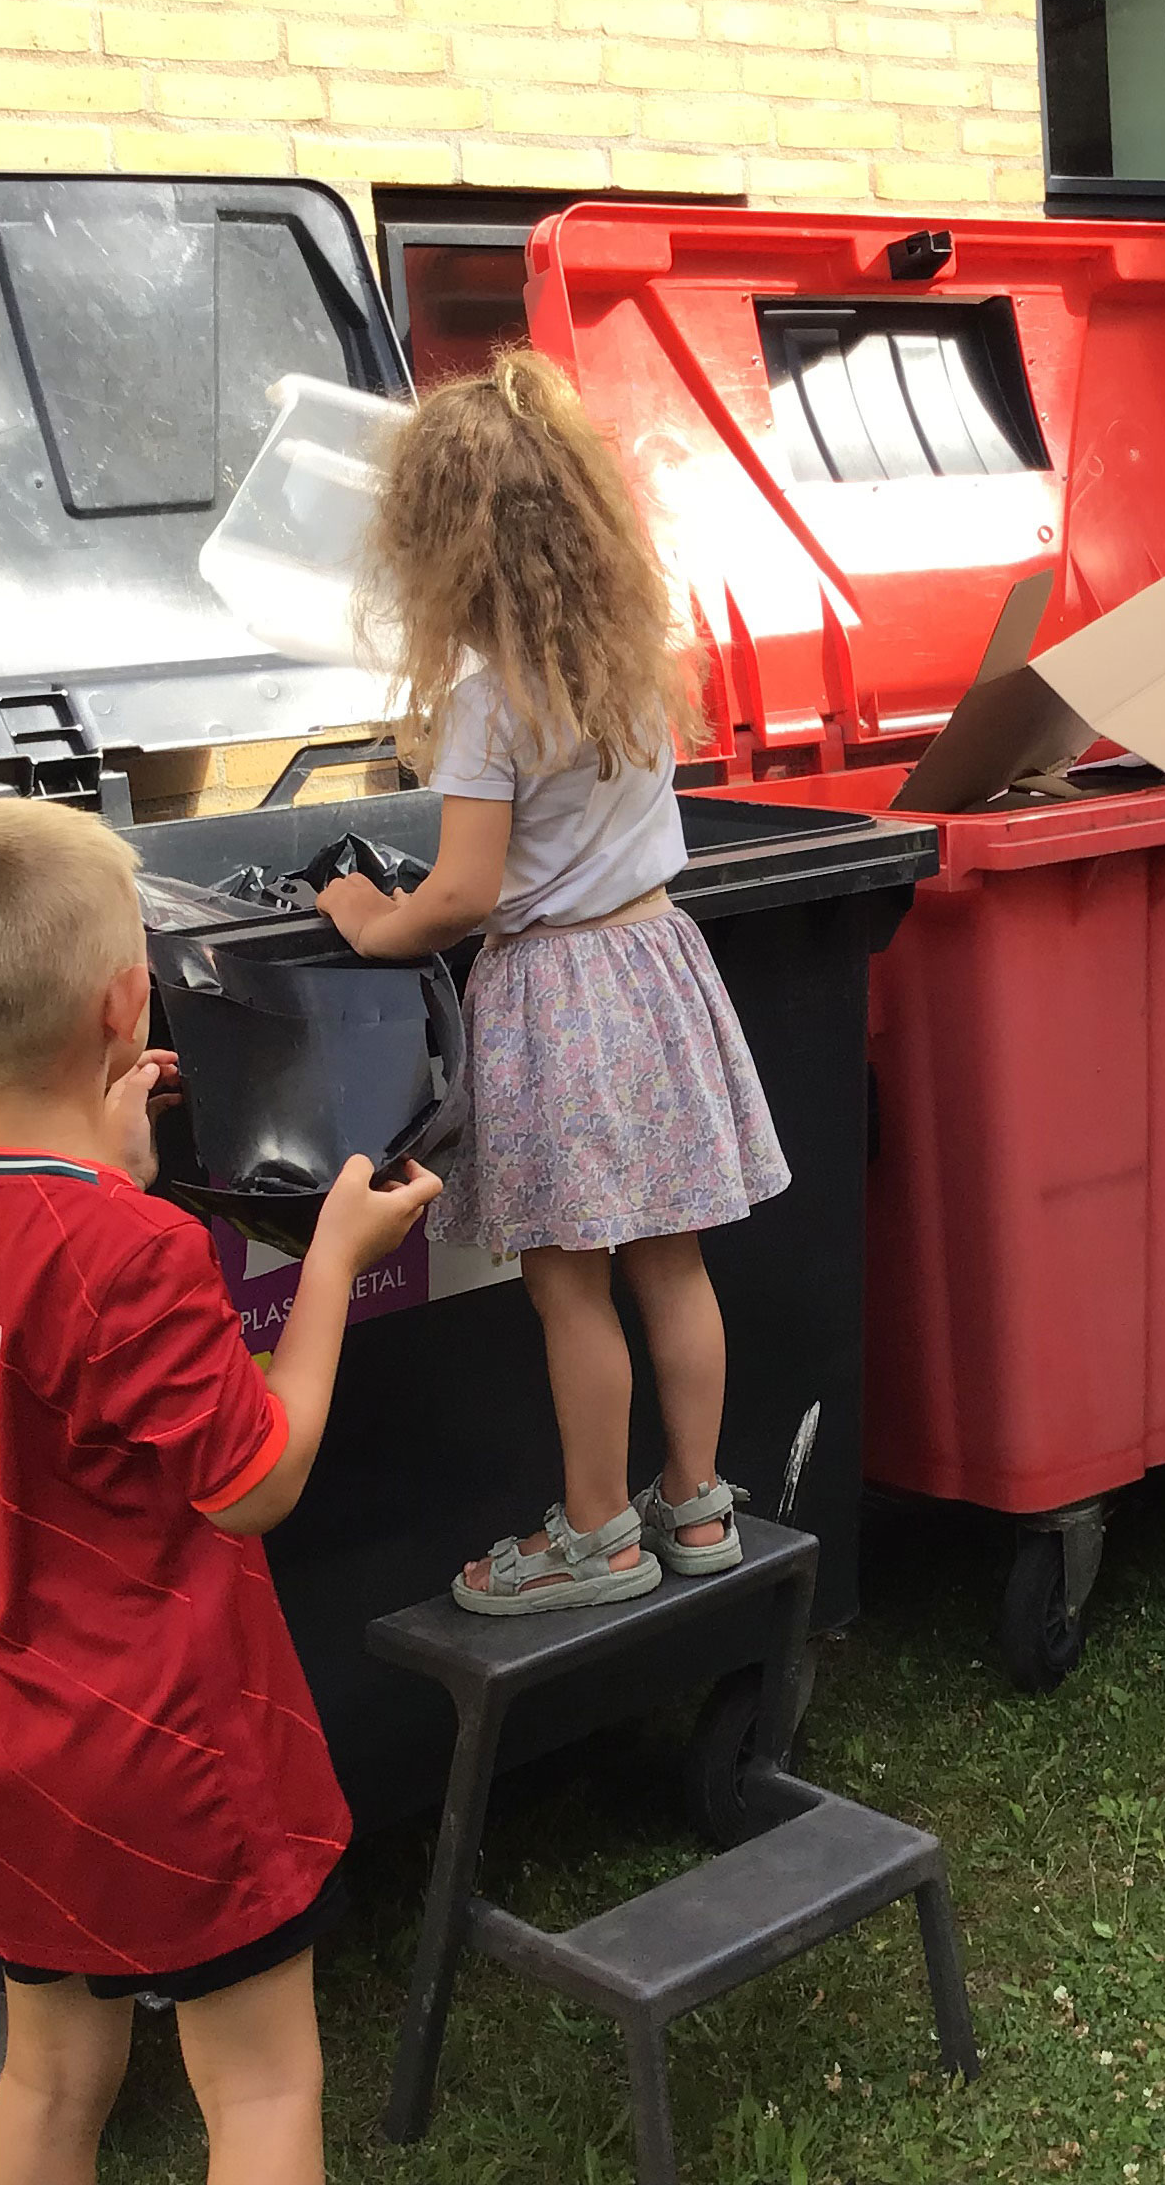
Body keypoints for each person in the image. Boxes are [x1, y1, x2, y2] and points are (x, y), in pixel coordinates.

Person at [0, 797, 441, 2185]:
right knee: (260, 2085)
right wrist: (327, 1266)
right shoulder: (137, 1250)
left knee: (51, 2077)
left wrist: (103, 1165)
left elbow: (32, 1313)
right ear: (132, 1003)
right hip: (165, 1746)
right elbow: (255, 1480)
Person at [317, 348, 785, 1612]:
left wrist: (369, 921)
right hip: (657, 964)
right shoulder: (630, 659)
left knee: (568, 1281)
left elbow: (463, 893)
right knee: (673, 1263)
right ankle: (697, 1503)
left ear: (444, 549)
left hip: (558, 998)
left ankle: (597, 1536)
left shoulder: (490, 704)